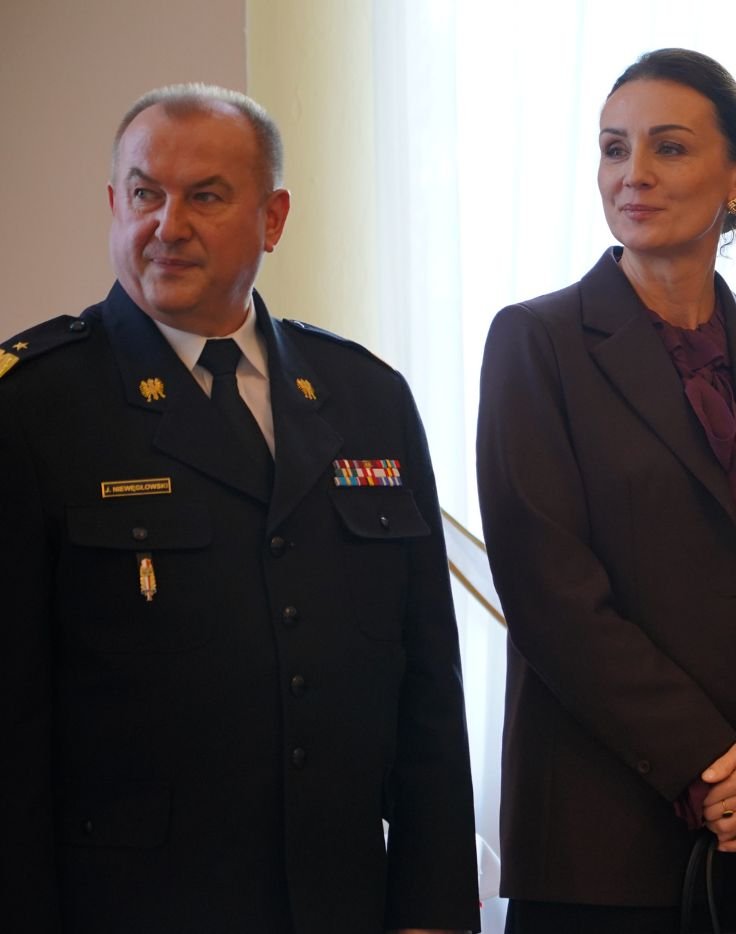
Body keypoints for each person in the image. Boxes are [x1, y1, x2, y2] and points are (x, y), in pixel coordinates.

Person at [0, 84, 479, 934]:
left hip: (340, 901)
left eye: (206, 196)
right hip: (131, 906)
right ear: (114, 205)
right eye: (145, 194)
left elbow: (427, 690)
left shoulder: (365, 397)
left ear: (273, 218)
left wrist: (433, 910)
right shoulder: (35, 404)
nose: (167, 225)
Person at [476, 48, 736, 932]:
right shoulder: (537, 342)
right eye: (613, 149)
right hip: (604, 839)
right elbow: (550, 594)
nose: (634, 174)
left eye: (669, 147)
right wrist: (712, 765)